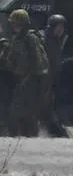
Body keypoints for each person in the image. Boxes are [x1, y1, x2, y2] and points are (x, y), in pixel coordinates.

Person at [2, 9, 49, 137]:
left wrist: (31, 78)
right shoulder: (17, 38)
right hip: (19, 79)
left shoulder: (30, 39)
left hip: (30, 80)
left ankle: (28, 137)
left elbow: (37, 61)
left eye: (15, 23)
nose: (13, 26)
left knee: (22, 111)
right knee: (22, 111)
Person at [37, 14, 68, 137]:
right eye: (58, 27)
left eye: (62, 28)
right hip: (43, 79)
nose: (61, 30)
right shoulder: (44, 41)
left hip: (51, 79)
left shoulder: (56, 41)